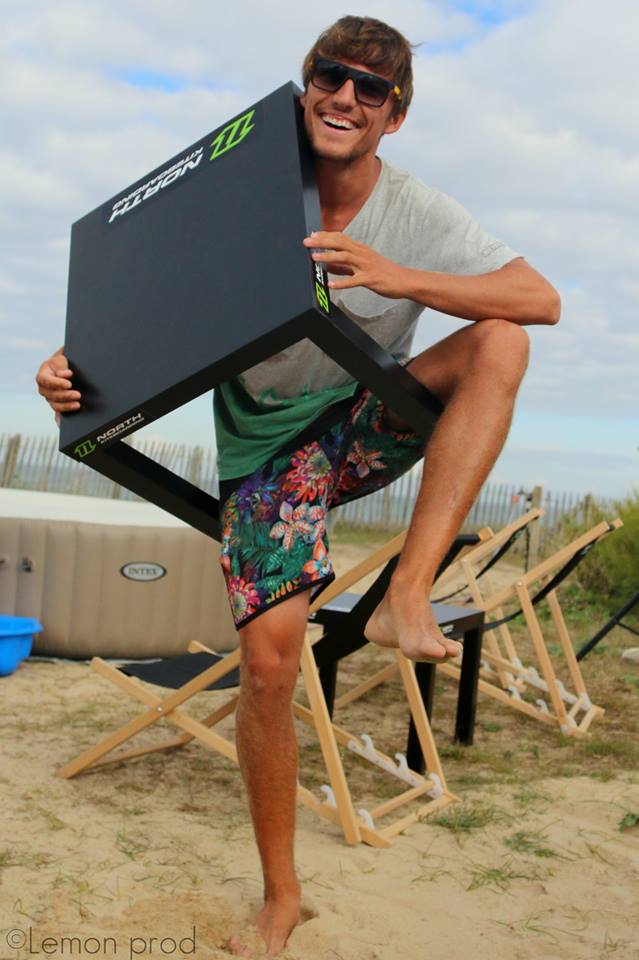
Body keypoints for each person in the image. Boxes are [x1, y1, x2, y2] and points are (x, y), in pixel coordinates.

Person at [36, 16, 560, 957]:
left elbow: (540, 298)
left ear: (394, 116)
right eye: (330, 75)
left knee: (501, 340)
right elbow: (141, 293)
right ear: (306, 83)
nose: (345, 97)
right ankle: (282, 896)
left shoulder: (413, 210)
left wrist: (400, 278)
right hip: (269, 464)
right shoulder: (249, 194)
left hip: (362, 423)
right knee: (271, 667)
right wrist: (68, 369)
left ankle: (406, 595)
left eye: (371, 88)